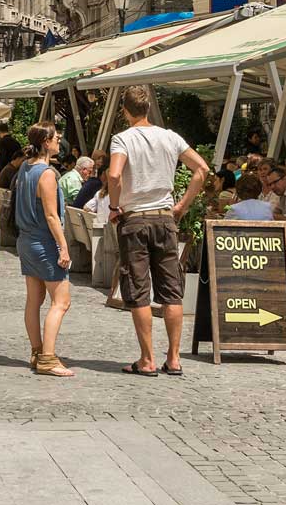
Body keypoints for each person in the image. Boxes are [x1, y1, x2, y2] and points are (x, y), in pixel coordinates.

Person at [105, 85, 209, 377]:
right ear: (148, 108)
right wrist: (182, 206)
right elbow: (201, 169)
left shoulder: (122, 139)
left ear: (124, 110)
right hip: (165, 218)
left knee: (138, 290)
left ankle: (147, 359)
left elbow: (114, 174)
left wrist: (114, 207)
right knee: (171, 292)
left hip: (135, 219)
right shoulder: (170, 137)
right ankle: (174, 358)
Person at [14, 122, 74, 377]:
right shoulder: (46, 173)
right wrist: (63, 247)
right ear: (45, 142)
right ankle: (48, 359)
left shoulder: (25, 169)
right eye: (56, 138)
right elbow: (51, 216)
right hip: (43, 241)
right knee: (61, 301)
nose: (59, 141)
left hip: (26, 241)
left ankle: (37, 351)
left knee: (34, 300)